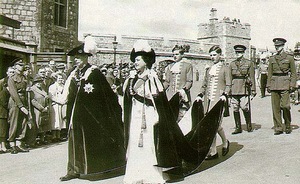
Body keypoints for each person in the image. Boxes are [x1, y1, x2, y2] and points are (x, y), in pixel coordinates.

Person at [59, 43, 126, 181]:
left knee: (88, 142)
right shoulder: (74, 73)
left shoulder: (94, 73)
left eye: (78, 57)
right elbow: (69, 93)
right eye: (75, 58)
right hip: (75, 113)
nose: (75, 60)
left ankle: (90, 169)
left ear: (86, 57)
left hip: (90, 116)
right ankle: (72, 170)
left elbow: (105, 95)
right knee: (73, 140)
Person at [123, 40, 166, 183]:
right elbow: (126, 94)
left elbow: (156, 99)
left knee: (148, 142)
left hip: (147, 114)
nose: (135, 62)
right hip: (135, 113)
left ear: (145, 61)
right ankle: (135, 175)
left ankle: (149, 175)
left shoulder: (151, 76)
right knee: (134, 141)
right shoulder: (133, 76)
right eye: (135, 60)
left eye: (138, 60)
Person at [196, 46, 230, 160]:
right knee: (211, 125)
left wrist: (225, 94)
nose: (212, 57)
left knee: (215, 124)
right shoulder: (208, 69)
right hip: (208, 100)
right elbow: (204, 85)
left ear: (220, 55)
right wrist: (200, 95)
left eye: (214, 55)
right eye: (211, 55)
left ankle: (223, 143)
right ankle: (215, 150)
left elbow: (229, 84)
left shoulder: (225, 68)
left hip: (219, 100)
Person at [266, 38, 296, 135]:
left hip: (285, 83)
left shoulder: (289, 58)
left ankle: (287, 124)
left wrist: (292, 84)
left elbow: (293, 73)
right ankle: (278, 127)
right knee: (275, 108)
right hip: (274, 84)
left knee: (285, 106)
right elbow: (269, 73)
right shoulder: (272, 59)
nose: (277, 47)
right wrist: (268, 85)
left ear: (283, 46)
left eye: (279, 46)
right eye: (276, 46)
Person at [229, 45, 256, 134]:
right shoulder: (232, 64)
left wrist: (253, 90)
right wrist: (228, 90)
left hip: (244, 87)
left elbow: (252, 77)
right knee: (235, 108)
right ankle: (238, 127)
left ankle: (248, 124)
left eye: (240, 52)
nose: (238, 54)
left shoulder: (249, 63)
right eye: (236, 52)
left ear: (243, 53)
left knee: (244, 107)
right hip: (234, 87)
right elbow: (229, 77)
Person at [164, 44, 193, 122]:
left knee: (181, 118)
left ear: (182, 55)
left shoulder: (188, 66)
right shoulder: (170, 67)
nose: (175, 56)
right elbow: (167, 82)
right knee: (170, 118)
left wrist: (183, 90)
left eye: (177, 54)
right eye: (173, 54)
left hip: (182, 96)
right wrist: (160, 89)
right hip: (171, 96)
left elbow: (189, 81)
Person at [7, 59, 30, 154]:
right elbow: (14, 93)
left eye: (22, 65)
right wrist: (21, 106)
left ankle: (19, 143)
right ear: (15, 67)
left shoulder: (24, 78)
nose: (22, 67)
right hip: (15, 103)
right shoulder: (11, 79)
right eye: (20, 65)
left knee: (23, 123)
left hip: (23, 101)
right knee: (14, 123)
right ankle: (12, 144)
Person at [30, 76, 50, 145]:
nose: (39, 83)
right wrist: (41, 108)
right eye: (37, 82)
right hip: (37, 109)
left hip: (44, 107)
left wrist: (47, 106)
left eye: (40, 82)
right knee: (37, 124)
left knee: (44, 124)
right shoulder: (32, 89)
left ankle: (42, 139)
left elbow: (46, 97)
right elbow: (33, 100)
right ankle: (34, 140)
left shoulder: (42, 89)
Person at [48, 73, 67, 142]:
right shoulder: (52, 87)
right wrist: (59, 101)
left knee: (60, 120)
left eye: (61, 78)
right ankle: (54, 136)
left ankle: (58, 136)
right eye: (59, 78)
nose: (60, 80)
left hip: (62, 104)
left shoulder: (63, 86)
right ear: (56, 79)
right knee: (55, 120)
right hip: (55, 105)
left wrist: (64, 101)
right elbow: (51, 96)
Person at [0, 67, 14, 153]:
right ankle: (2, 146)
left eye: (13, 72)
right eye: (10, 72)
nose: (12, 74)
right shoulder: (3, 84)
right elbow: (2, 99)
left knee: (5, 129)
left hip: (7, 109)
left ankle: (4, 145)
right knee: (2, 129)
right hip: (3, 110)